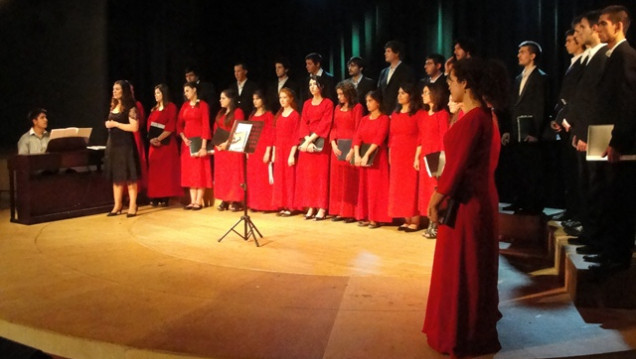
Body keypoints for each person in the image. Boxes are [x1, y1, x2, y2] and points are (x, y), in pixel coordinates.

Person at [424, 57, 509, 358]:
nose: (447, 84)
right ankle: (471, 327)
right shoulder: (483, 114)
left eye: (451, 80)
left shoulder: (474, 119)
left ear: (465, 83)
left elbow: (456, 168)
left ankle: (463, 334)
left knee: (463, 268)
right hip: (479, 198)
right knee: (473, 266)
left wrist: (436, 198)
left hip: (467, 203)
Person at [582, 5, 636, 275]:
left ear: (619, 26)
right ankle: (607, 251)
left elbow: (627, 104)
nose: (597, 28)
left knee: (618, 201)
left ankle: (616, 258)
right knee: (607, 197)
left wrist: (618, 142)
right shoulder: (613, 56)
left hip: (620, 145)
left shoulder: (626, 56)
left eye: (603, 23)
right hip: (607, 139)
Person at [501, 40, 548, 214]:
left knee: (531, 169)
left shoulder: (541, 77)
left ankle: (532, 204)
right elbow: (512, 106)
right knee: (518, 168)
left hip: (530, 132)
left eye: (523, 52)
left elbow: (540, 106)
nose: (518, 55)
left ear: (533, 55)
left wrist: (535, 132)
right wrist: (508, 130)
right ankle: (519, 200)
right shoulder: (518, 78)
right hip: (516, 131)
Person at [550, 27, 586, 226]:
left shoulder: (583, 64)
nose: (566, 43)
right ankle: (571, 209)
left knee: (577, 173)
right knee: (568, 171)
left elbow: (578, 97)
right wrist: (557, 117)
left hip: (574, 125)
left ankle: (578, 214)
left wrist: (566, 118)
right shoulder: (573, 64)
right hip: (565, 123)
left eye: (571, 39)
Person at [295, 75, 334, 221]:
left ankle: (322, 207)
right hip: (308, 143)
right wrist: (306, 141)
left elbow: (325, 123)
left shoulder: (328, 103)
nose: (312, 87)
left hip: (320, 144)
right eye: (310, 84)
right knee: (309, 177)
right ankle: (311, 206)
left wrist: (310, 140)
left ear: (321, 86)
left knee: (320, 176)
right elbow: (303, 122)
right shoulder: (306, 104)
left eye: (315, 84)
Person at [416, 82, 450, 239]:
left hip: (437, 155)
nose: (423, 95)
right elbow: (421, 138)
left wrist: (443, 158)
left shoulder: (441, 114)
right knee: (425, 190)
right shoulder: (423, 115)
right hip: (425, 156)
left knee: (434, 189)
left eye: (426, 92)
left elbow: (444, 136)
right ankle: (430, 221)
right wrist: (417, 156)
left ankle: (435, 224)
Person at [353, 90, 391, 229]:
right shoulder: (364, 119)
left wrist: (367, 155)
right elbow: (357, 137)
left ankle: (376, 217)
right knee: (365, 188)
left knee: (376, 189)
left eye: (370, 101)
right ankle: (366, 216)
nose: (367, 104)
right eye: (366, 101)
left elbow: (379, 139)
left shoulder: (384, 119)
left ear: (378, 102)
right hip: (363, 157)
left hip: (377, 158)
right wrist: (357, 154)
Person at [104, 80, 142, 217]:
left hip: (126, 145)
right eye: (113, 89)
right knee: (117, 177)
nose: (114, 91)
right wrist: (108, 124)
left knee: (130, 177)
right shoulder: (113, 105)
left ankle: (132, 205)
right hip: (113, 145)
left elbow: (134, 127)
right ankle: (117, 205)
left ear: (124, 91)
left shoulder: (131, 107)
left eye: (117, 89)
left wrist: (115, 124)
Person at [388, 83, 422, 232]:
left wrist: (417, 157)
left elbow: (421, 136)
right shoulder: (395, 114)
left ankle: (415, 220)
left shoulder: (418, 113)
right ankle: (405, 219)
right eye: (398, 93)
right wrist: (390, 154)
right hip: (397, 153)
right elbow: (391, 136)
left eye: (403, 93)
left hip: (411, 153)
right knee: (399, 187)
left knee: (411, 186)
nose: (399, 95)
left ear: (410, 95)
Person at [328, 81, 362, 223]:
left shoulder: (357, 108)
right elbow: (334, 128)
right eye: (338, 94)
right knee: (338, 180)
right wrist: (333, 144)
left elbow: (358, 129)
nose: (339, 97)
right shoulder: (337, 108)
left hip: (351, 147)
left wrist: (353, 150)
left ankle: (350, 212)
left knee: (350, 181)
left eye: (342, 94)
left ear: (348, 93)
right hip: (338, 147)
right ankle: (339, 211)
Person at [177, 81, 213, 210]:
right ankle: (192, 200)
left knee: (200, 171)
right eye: (184, 91)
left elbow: (206, 126)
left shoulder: (203, 105)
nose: (185, 93)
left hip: (199, 142)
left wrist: (203, 146)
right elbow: (179, 125)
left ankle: (199, 200)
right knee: (190, 172)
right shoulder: (185, 106)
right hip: (187, 144)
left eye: (187, 90)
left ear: (194, 90)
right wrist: (184, 138)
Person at [146, 84, 182, 207]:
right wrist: (152, 139)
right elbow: (149, 126)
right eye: (155, 93)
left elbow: (171, 125)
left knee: (166, 172)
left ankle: (165, 196)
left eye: (158, 93)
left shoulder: (171, 107)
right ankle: (155, 196)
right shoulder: (153, 109)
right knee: (155, 173)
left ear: (164, 94)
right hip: (154, 146)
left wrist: (159, 138)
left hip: (166, 145)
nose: (156, 95)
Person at [214, 89, 246, 212]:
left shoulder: (238, 112)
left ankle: (236, 200)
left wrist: (227, 143)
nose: (220, 100)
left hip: (233, 149)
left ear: (230, 100)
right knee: (223, 175)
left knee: (234, 175)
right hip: (221, 150)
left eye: (223, 98)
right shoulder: (220, 113)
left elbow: (238, 129)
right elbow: (216, 129)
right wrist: (217, 144)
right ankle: (225, 199)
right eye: (220, 98)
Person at [271, 87, 300, 216]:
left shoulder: (295, 115)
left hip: (289, 150)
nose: (282, 100)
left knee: (290, 178)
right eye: (280, 98)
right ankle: (282, 204)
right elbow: (275, 136)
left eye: (285, 97)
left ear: (291, 99)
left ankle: (291, 206)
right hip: (279, 150)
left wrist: (292, 154)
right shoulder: (278, 115)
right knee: (280, 178)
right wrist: (273, 153)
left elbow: (296, 136)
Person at [246, 90, 276, 212]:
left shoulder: (269, 115)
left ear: (263, 100)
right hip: (253, 149)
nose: (255, 101)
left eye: (257, 99)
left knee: (264, 178)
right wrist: (248, 150)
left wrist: (268, 151)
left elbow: (271, 134)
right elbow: (249, 133)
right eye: (253, 99)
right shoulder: (252, 115)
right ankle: (254, 204)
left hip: (263, 148)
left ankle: (266, 205)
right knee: (254, 178)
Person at [377, 40, 414, 114]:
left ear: (397, 53)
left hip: (398, 111)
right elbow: (379, 91)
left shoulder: (406, 70)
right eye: (385, 51)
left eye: (388, 51)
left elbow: (407, 91)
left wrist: (397, 110)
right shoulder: (383, 72)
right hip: (384, 112)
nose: (385, 54)